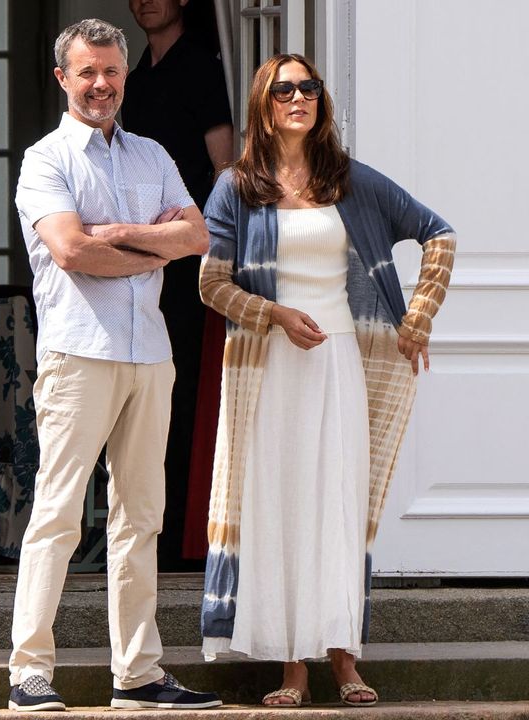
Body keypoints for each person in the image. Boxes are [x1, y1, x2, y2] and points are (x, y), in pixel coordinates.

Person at [198, 54, 455, 707]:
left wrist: (417, 317)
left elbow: (438, 235)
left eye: (308, 87)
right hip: (269, 368)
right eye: (284, 89)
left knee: (337, 507)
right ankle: (292, 669)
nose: (298, 97)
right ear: (263, 103)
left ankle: (344, 658)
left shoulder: (350, 181)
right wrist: (275, 314)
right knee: (281, 510)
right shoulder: (237, 187)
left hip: (341, 362)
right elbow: (211, 284)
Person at [6, 19, 221, 712]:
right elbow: (71, 252)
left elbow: (197, 235)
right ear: (62, 78)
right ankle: (28, 673)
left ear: (124, 78)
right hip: (78, 354)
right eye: (87, 72)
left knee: (141, 518)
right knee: (59, 516)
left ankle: (138, 674)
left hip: (150, 355)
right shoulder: (45, 160)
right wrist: (157, 244)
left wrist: (125, 234)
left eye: (111, 72)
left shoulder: (152, 154)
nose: (101, 85)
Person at [123, 0, 234, 568]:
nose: (146, 1)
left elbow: (225, 167)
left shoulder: (202, 66)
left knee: (186, 381)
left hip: (193, 257)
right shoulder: (133, 77)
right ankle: (154, 534)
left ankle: (190, 536)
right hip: (140, 259)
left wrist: (212, 239)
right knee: (146, 386)